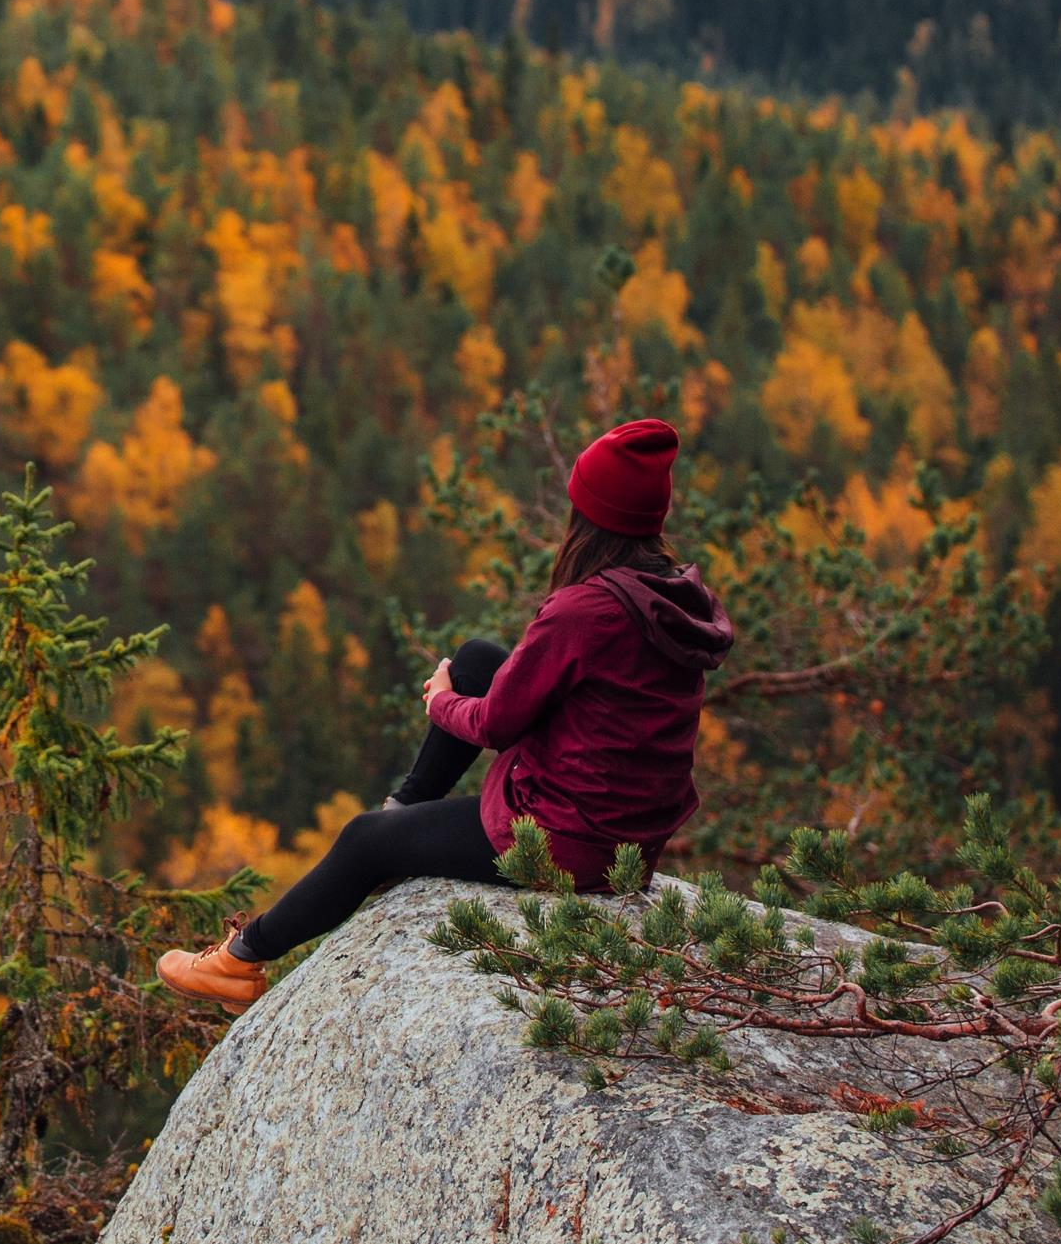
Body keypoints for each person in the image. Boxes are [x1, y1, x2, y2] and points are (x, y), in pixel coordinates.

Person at [155, 418, 735, 1011]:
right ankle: (403, 818)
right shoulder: (669, 597)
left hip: (565, 840)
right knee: (480, 659)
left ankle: (238, 959)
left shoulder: (587, 610)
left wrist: (440, 700)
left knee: (362, 839)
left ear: (589, 516)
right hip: (628, 833)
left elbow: (495, 725)